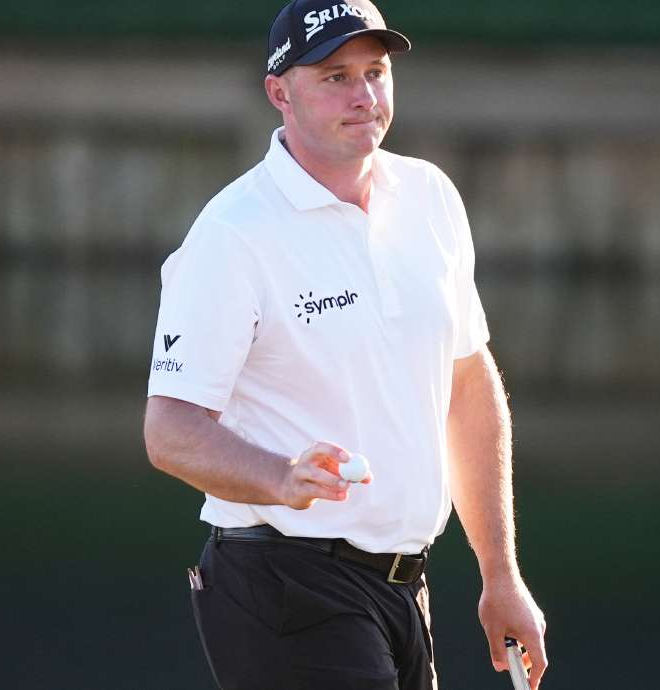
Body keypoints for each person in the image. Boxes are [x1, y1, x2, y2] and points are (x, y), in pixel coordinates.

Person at [143, 1, 547, 688]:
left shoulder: (430, 197)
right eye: (335, 76)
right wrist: (279, 476)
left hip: (402, 586)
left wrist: (500, 575)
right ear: (280, 93)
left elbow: (470, 387)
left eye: (376, 72)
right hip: (282, 583)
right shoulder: (234, 232)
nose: (364, 96)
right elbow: (170, 430)